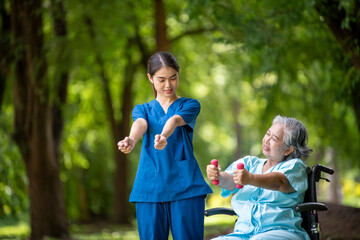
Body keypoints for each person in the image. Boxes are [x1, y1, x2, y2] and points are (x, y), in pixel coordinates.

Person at [118, 51, 212, 240]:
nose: (168, 85)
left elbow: (175, 120)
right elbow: (141, 124)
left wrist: (163, 136)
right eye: (161, 79)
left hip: (185, 186)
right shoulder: (142, 109)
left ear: (178, 74)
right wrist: (131, 139)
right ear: (150, 78)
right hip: (149, 188)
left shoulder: (190, 105)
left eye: (173, 78)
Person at [206, 115, 312, 240]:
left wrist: (250, 178)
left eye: (274, 138)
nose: (267, 140)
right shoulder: (250, 163)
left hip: (281, 232)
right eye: (268, 134)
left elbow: (280, 182)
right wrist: (218, 176)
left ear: (288, 150)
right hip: (243, 233)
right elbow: (231, 180)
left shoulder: (295, 167)